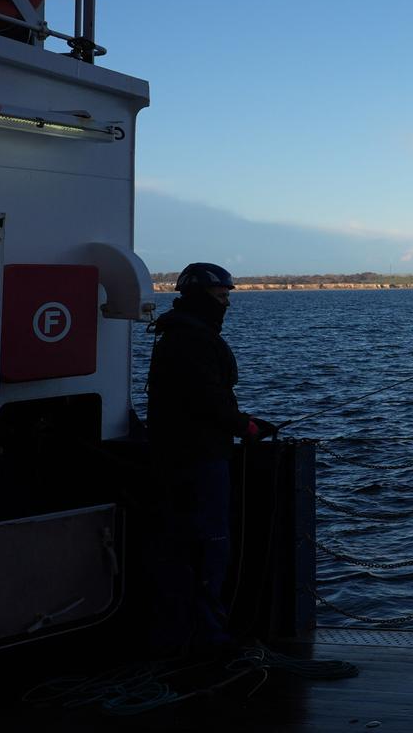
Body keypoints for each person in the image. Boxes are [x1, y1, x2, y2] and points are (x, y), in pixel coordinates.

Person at [145, 261, 277, 655]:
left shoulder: (177, 335)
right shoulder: (192, 340)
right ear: (203, 298)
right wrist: (247, 427)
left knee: (188, 548)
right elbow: (207, 400)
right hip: (199, 460)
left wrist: (241, 423)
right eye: (221, 297)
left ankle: (187, 636)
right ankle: (208, 641)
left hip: (180, 457)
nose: (226, 305)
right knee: (207, 547)